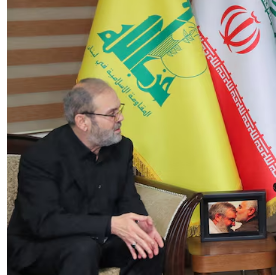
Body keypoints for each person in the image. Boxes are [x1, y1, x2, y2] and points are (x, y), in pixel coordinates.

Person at [8, 78, 165, 275]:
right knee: (82, 249)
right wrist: (111, 225)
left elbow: (128, 199)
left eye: (119, 110)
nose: (121, 117)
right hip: (41, 246)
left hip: (96, 241)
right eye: (112, 114)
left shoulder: (122, 148)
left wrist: (140, 225)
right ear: (83, 122)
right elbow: (45, 222)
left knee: (151, 248)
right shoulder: (41, 157)